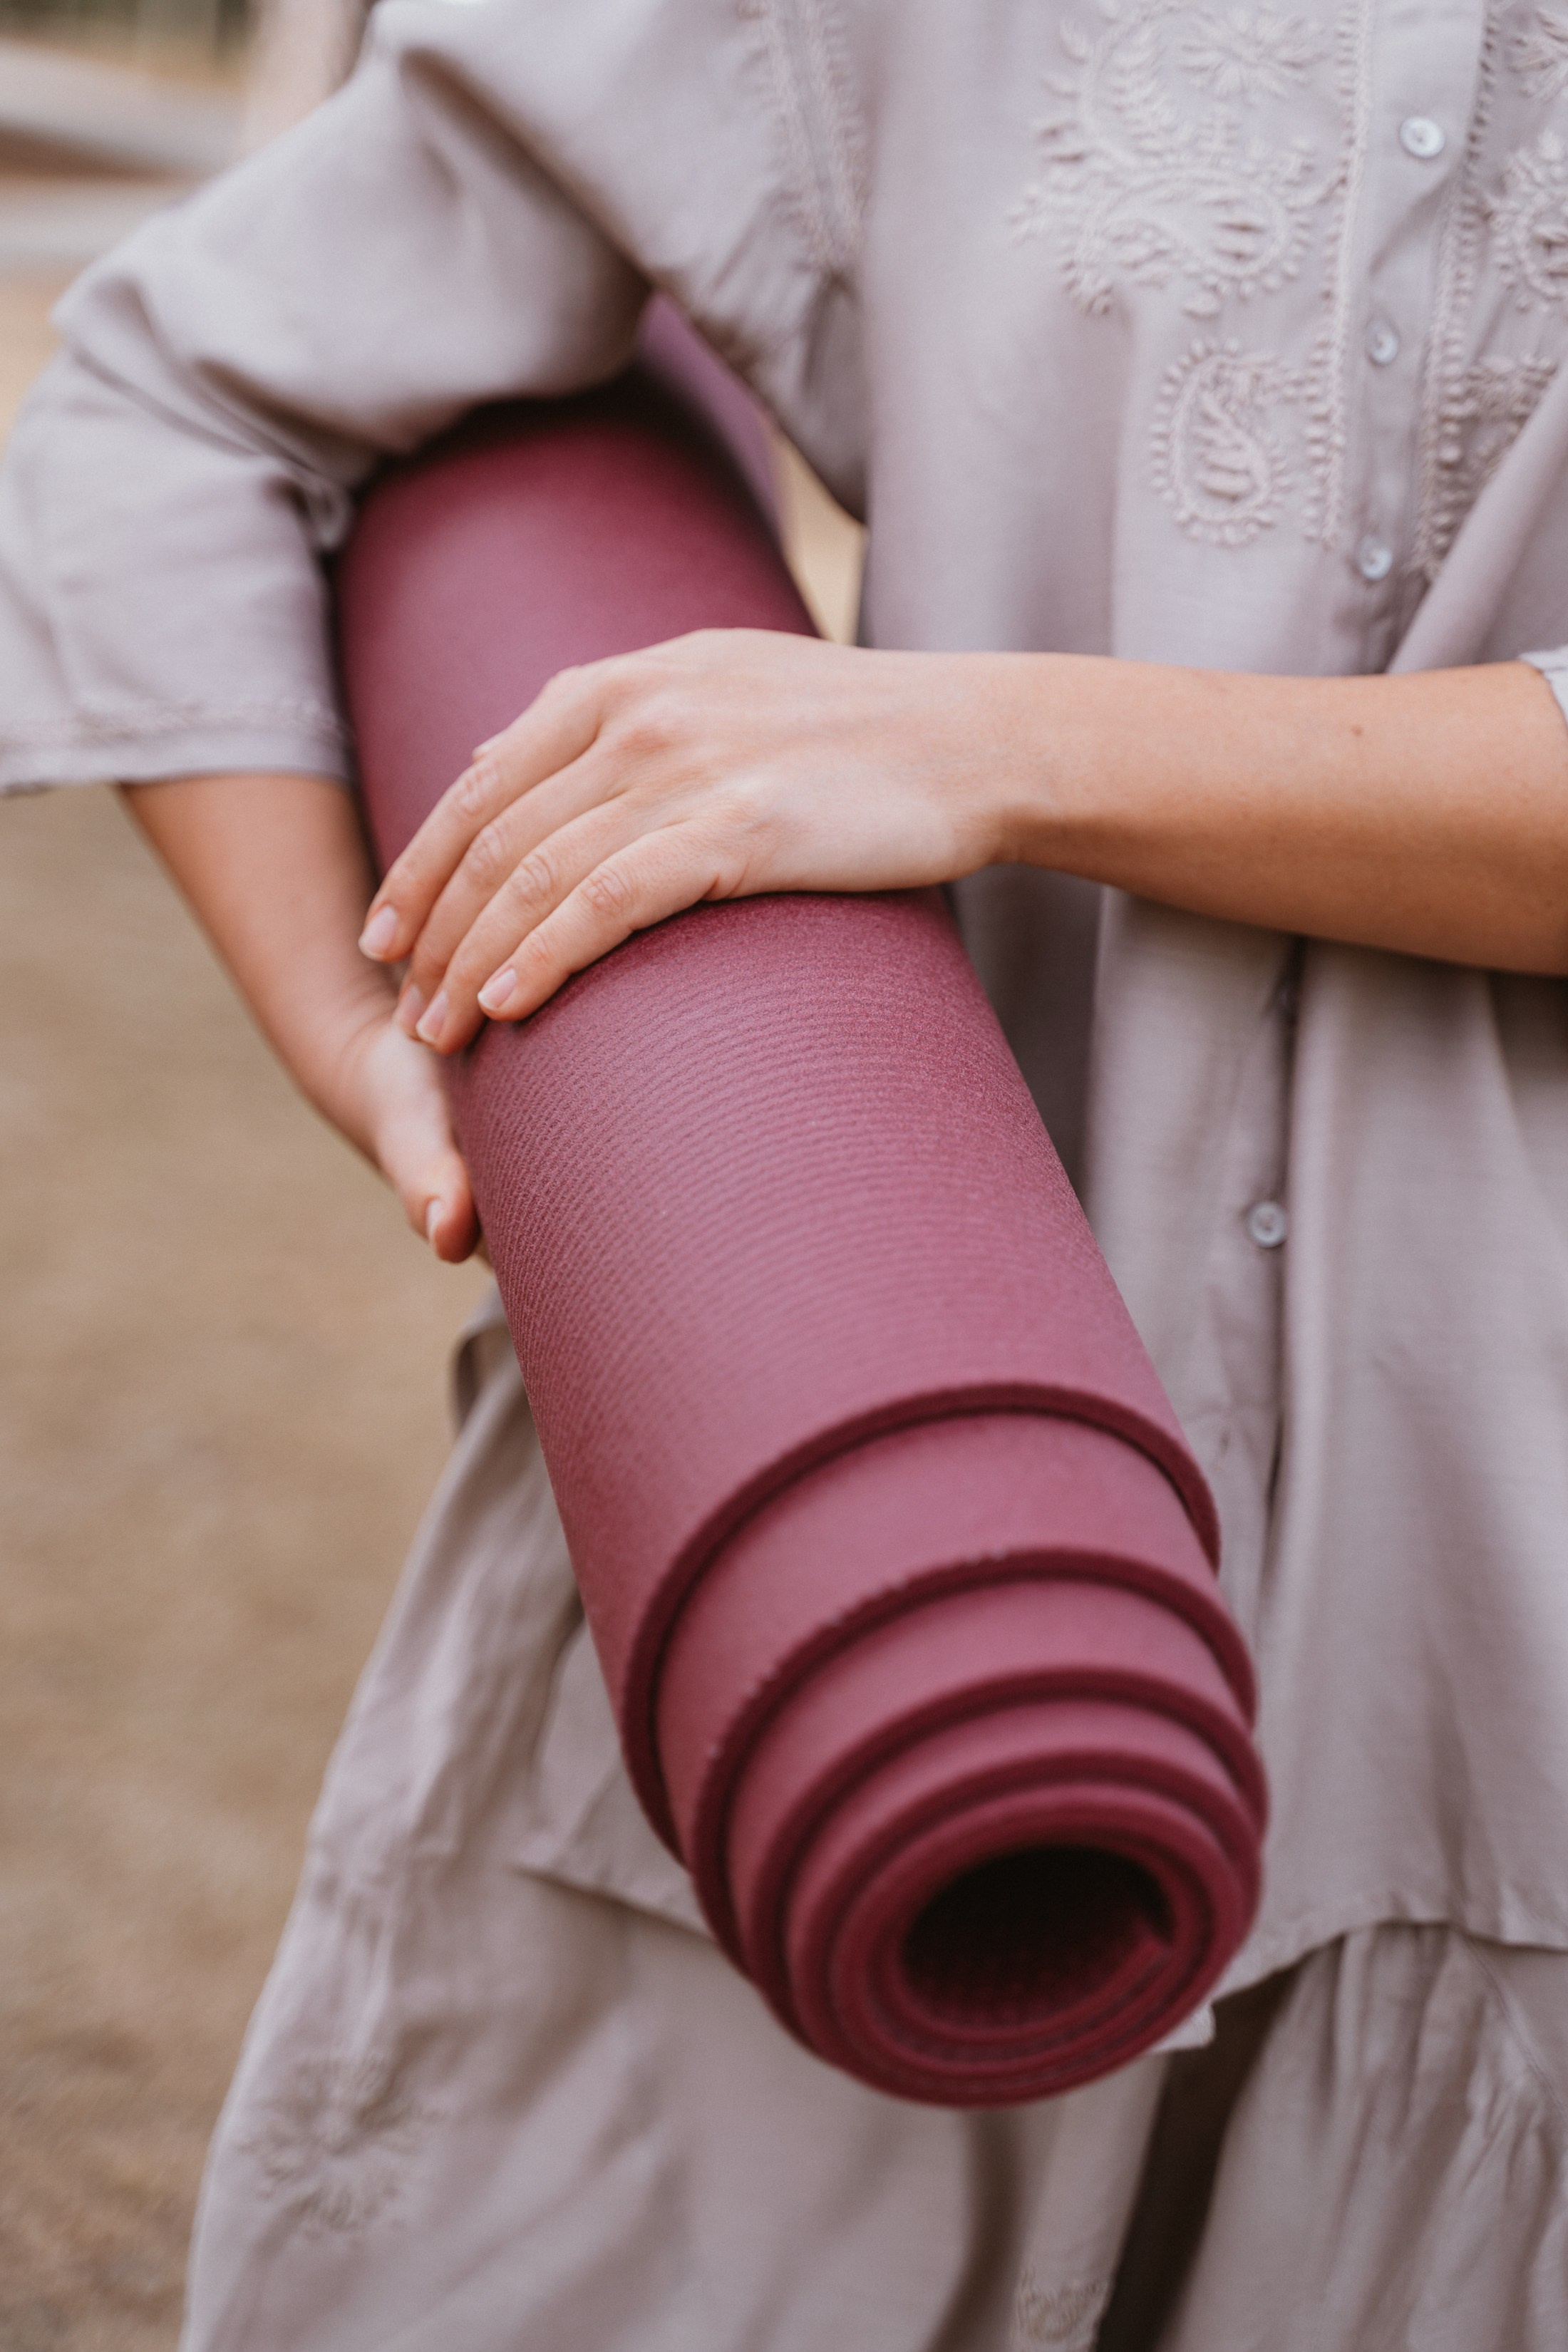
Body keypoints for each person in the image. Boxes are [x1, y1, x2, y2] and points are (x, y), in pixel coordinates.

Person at [4, 1, 1568, 2343]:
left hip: (1505, 1645)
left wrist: (983, 737)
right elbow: (183, 394)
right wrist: (373, 1038)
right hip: (826, 1548)